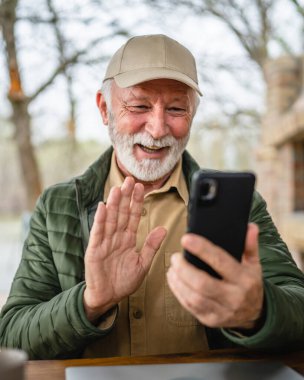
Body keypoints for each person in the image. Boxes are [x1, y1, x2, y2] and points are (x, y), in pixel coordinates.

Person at [1, 34, 304, 360]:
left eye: (176, 108)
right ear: (105, 109)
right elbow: (12, 336)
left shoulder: (239, 206)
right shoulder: (57, 207)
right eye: (140, 106)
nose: (158, 129)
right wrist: (90, 301)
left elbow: (297, 303)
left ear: (192, 117)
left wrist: (257, 310)